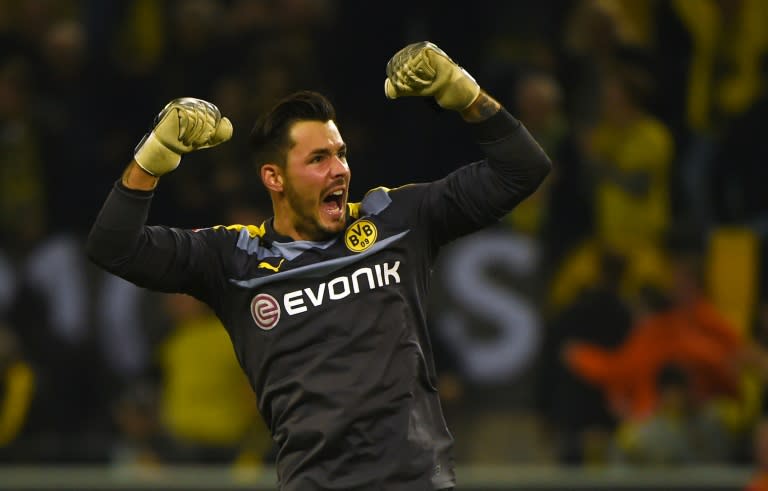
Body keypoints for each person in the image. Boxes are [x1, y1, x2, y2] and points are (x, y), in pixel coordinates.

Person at [86, 41, 551, 490]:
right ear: (274, 178)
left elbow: (523, 169)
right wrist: (152, 159)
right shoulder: (232, 259)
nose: (340, 170)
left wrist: (464, 93)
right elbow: (112, 246)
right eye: (319, 158)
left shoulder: (397, 220)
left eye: (341, 154)